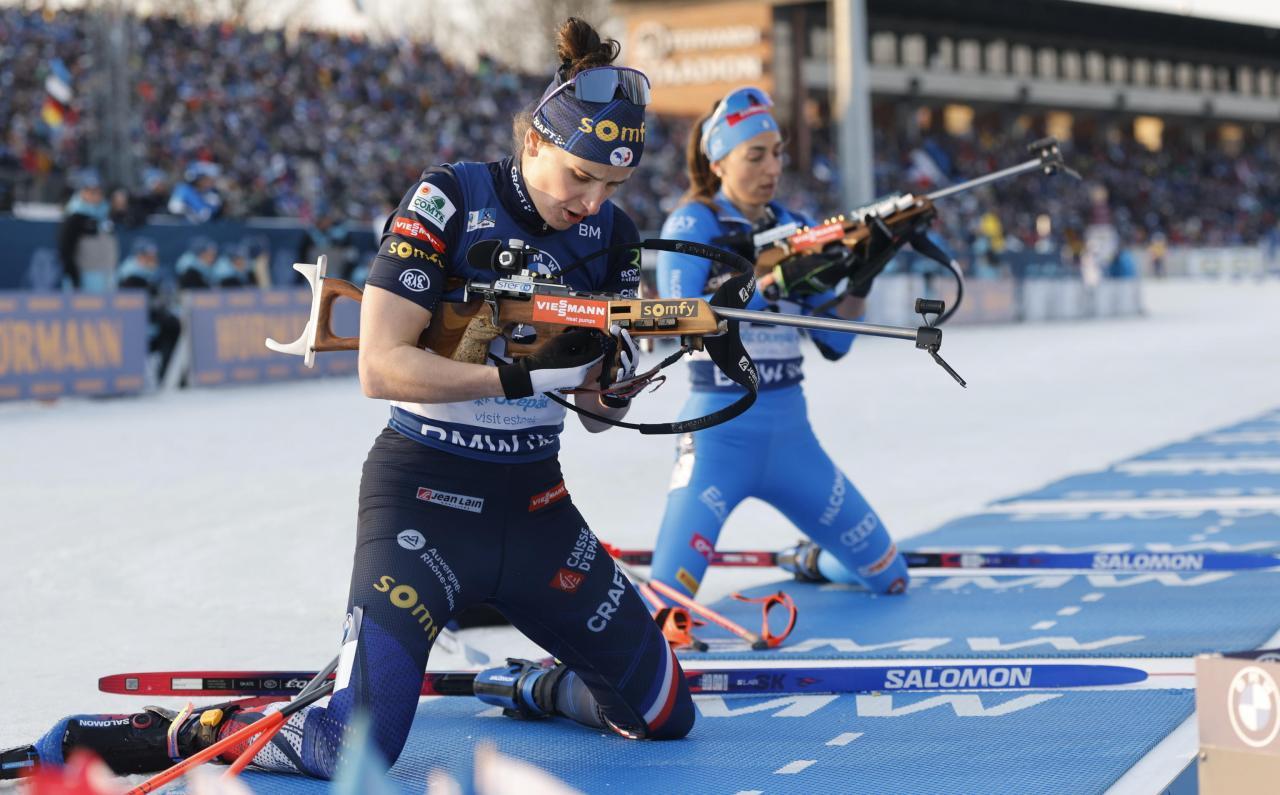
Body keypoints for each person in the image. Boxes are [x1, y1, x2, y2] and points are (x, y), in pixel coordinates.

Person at [4, 19, 690, 785]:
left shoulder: (615, 237)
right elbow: (380, 364)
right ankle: (175, 733)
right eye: (579, 176)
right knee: (350, 747)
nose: (593, 202)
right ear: (534, 140)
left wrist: (614, 384)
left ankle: (528, 683)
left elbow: (597, 415)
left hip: (536, 507)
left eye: (611, 186)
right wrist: (517, 374)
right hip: (425, 501)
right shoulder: (451, 197)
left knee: (663, 713)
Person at [648, 87, 909, 599]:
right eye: (756, 155)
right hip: (719, 435)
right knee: (668, 604)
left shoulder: (792, 228)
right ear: (719, 161)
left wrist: (862, 278)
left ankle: (810, 560)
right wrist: (772, 287)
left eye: (778, 152)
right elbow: (676, 326)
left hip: (793, 438)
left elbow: (834, 343)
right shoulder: (692, 223)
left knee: (889, 575)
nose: (773, 167)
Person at [117, 238, 182, 382]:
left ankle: (168, 375)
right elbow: (140, 311)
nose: (154, 260)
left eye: (154, 256)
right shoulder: (131, 278)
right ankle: (165, 376)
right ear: (139, 257)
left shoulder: (145, 276)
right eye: (149, 257)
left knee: (174, 327)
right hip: (135, 329)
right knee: (172, 328)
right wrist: (168, 318)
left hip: (148, 323)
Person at [56, 170, 116, 291]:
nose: (96, 195)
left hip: (106, 277)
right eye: (91, 191)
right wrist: (73, 276)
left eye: (98, 191)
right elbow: (65, 249)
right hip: (83, 278)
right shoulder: (74, 217)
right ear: (82, 192)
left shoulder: (104, 215)